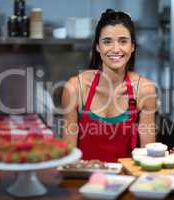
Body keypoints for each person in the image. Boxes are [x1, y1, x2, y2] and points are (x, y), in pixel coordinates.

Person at [62, 9, 156, 162]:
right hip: (83, 180)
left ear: (132, 47)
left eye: (123, 41)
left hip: (126, 181)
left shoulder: (144, 90)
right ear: (98, 46)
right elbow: (69, 155)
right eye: (107, 41)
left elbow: (147, 156)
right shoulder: (75, 88)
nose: (115, 49)